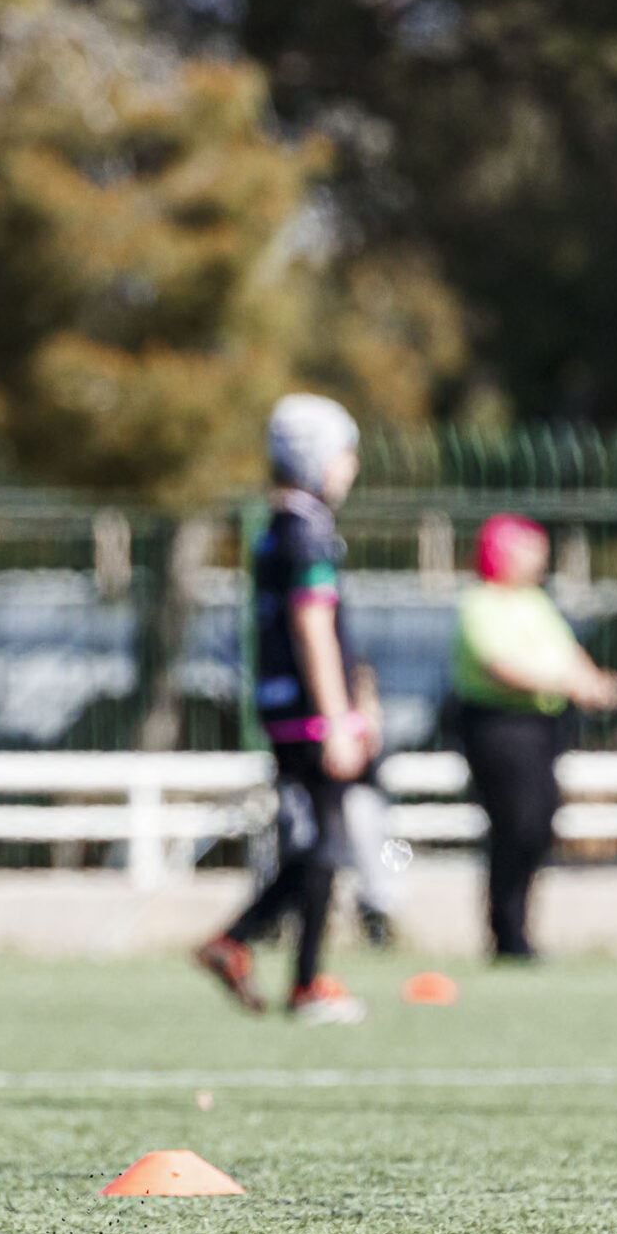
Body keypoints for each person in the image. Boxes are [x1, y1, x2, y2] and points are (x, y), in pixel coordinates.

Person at [192, 395, 372, 1024]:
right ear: (319, 460)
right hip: (307, 714)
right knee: (325, 847)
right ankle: (296, 974)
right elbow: (312, 625)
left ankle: (258, 952)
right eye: (346, 455)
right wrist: (339, 718)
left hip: (286, 708)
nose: (352, 468)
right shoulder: (307, 530)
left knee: (320, 845)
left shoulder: (279, 526)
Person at [446, 513, 617, 961]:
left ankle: (518, 931)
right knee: (515, 825)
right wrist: (568, 684)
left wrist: (595, 681)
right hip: (498, 727)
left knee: (538, 825)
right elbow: (499, 665)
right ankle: (506, 933)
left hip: (539, 728)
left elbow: (568, 653)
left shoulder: (535, 603)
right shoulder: (481, 604)